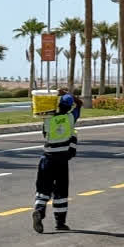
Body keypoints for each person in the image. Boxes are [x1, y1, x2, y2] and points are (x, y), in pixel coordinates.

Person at [32, 93, 80, 233]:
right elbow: (79, 105)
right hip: (62, 161)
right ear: (70, 107)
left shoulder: (48, 120)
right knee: (61, 192)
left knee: (43, 189)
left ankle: (39, 211)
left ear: (58, 104)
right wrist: (67, 94)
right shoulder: (70, 118)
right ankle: (60, 222)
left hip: (47, 159)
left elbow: (44, 134)